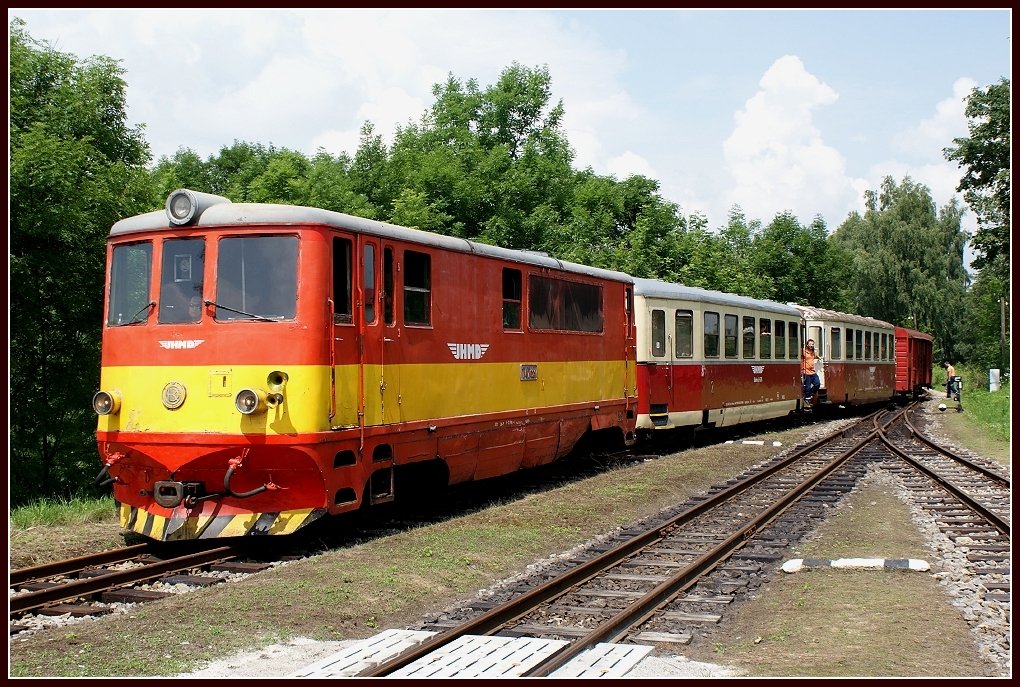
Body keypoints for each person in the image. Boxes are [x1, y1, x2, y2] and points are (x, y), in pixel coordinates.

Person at [801, 338, 820, 403]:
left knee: (817, 384)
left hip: (812, 372)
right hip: (806, 372)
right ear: (807, 345)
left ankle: (811, 394)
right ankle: (807, 399)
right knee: (807, 387)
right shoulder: (803, 351)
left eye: (812, 344)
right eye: (810, 344)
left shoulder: (813, 352)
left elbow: (816, 356)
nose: (811, 345)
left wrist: (818, 357)